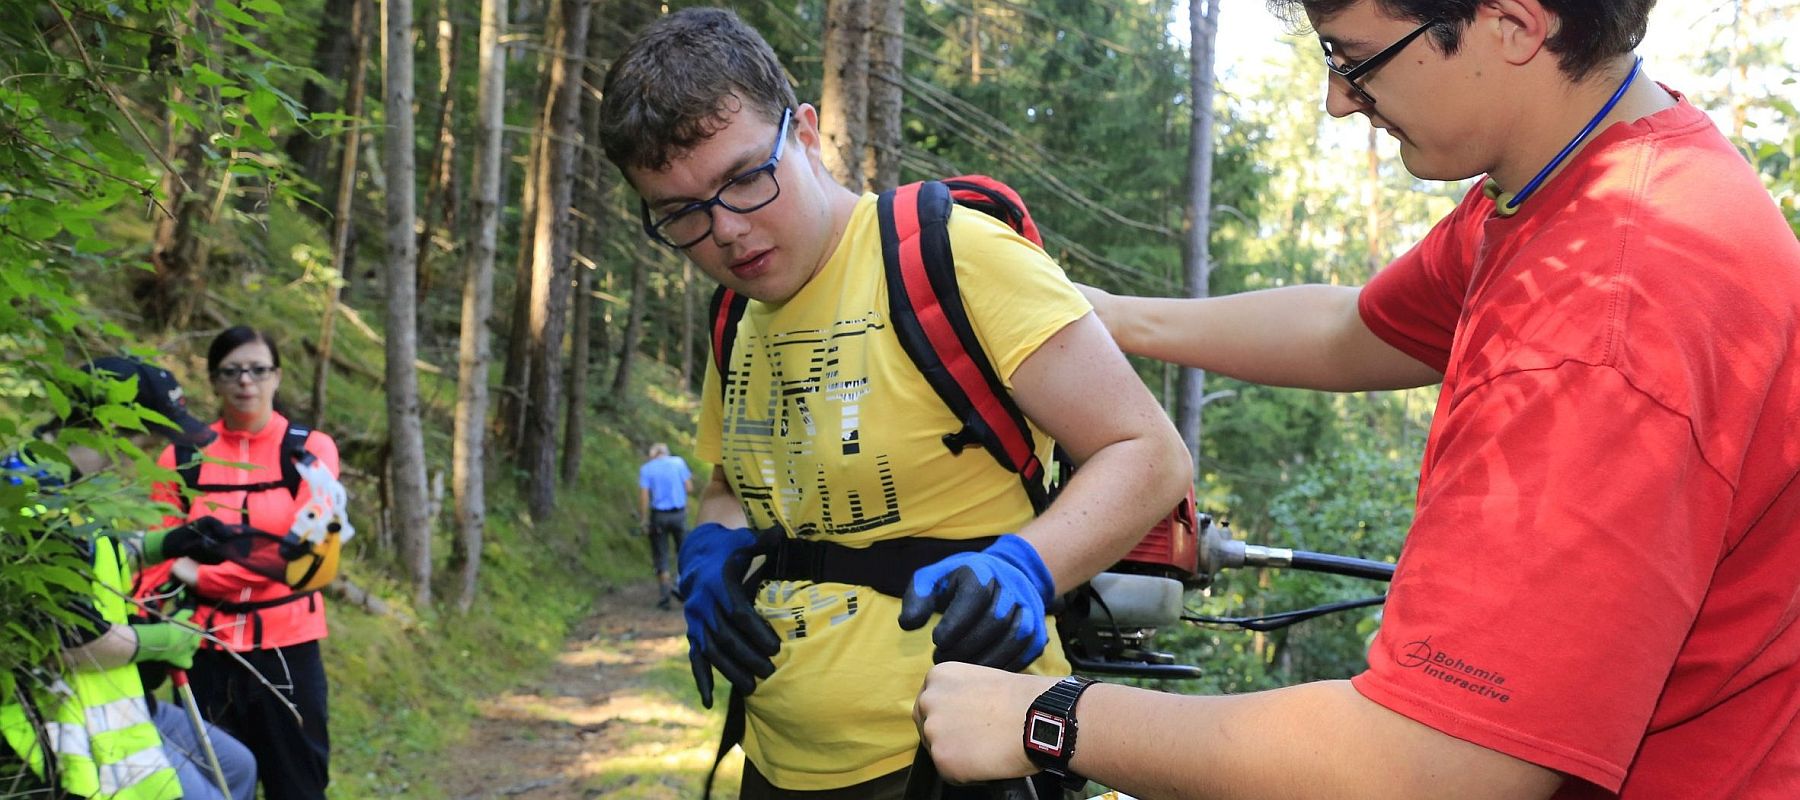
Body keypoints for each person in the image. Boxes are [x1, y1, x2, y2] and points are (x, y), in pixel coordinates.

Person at [913, 1, 1800, 798]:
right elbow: (1354, 329)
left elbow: (1439, 765)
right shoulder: (1575, 176)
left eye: (1355, 56)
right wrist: (1108, 321)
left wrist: (1049, 718)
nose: (1340, 99)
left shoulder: (1605, 316)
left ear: (1515, 26)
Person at [595, 8, 1191, 796]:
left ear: (805, 132)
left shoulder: (950, 255)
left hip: (964, 758)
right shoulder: (736, 314)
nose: (727, 233)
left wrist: (1027, 568)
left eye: (744, 179)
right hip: (775, 762)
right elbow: (734, 486)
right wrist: (707, 552)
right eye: (682, 213)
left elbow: (1149, 454)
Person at [1, 356, 258, 800]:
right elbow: (76, 645)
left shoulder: (73, 485)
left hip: (114, 695)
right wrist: (166, 639)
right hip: (66, 717)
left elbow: (95, 558)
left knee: (237, 767)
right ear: (114, 432)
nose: (150, 454)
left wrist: (173, 542)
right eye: (150, 438)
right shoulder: (33, 502)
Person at [136, 327, 340, 800]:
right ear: (214, 381)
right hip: (204, 650)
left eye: (257, 370)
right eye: (231, 371)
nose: (245, 382)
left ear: (277, 376)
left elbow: (309, 559)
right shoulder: (182, 456)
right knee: (215, 788)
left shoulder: (310, 450)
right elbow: (155, 553)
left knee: (300, 784)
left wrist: (202, 573)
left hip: (288, 649)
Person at [637, 442, 694, 609]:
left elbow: (644, 496)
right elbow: (689, 487)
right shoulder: (678, 462)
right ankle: (681, 586)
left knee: (660, 553)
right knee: (684, 551)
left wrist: (643, 518)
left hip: (659, 516)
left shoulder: (647, 469)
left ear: (652, 455)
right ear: (666, 453)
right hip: (679, 514)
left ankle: (664, 597)